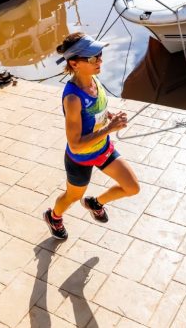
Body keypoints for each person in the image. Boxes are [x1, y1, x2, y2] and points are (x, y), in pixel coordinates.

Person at [43, 32, 140, 240]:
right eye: (93, 58)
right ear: (75, 64)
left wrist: (110, 117)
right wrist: (108, 129)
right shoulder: (72, 98)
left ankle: (95, 203)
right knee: (71, 196)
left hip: (103, 150)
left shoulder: (94, 80)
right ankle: (54, 216)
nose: (100, 60)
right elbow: (76, 145)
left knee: (132, 188)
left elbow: (96, 113)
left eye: (99, 54)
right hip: (80, 158)